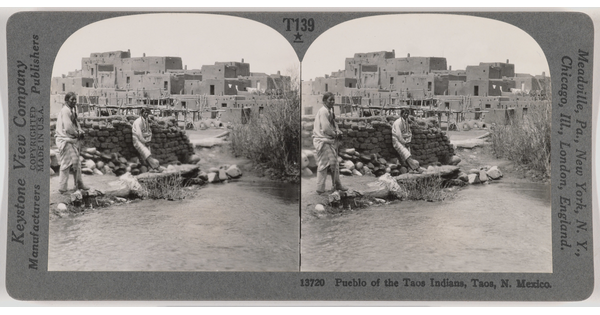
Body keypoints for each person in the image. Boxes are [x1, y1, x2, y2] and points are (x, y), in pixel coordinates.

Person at [313, 92, 347, 194]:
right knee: (324, 164)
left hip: (327, 140)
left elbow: (333, 124)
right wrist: (335, 134)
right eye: (330, 100)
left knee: (334, 163)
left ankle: (337, 185)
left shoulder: (329, 111)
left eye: (333, 100)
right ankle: (320, 188)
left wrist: (338, 130)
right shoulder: (324, 111)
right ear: (324, 101)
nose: (332, 102)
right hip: (322, 140)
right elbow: (326, 128)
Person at [55, 92, 89, 193]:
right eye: (72, 100)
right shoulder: (66, 111)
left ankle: (79, 184)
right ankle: (62, 188)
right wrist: (77, 134)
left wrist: (80, 130)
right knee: (66, 164)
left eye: (75, 99)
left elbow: (75, 123)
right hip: (65, 140)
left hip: (69, 139)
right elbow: (68, 127)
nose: (74, 101)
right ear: (66, 101)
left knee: (76, 162)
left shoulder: (71, 110)